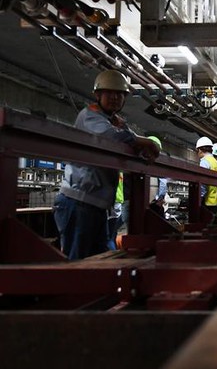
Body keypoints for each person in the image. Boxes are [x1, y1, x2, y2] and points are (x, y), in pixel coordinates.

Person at [53, 69, 160, 259]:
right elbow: (109, 136)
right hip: (78, 200)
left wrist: (140, 146)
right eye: (109, 93)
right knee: (79, 260)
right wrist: (146, 142)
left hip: (96, 204)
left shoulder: (114, 122)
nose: (115, 98)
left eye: (120, 94)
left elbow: (128, 138)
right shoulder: (89, 117)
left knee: (97, 258)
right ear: (97, 95)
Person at [196, 136, 217, 215]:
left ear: (200, 150)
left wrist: (199, 197)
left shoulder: (204, 161)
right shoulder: (216, 162)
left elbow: (203, 181)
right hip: (215, 200)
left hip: (207, 200)